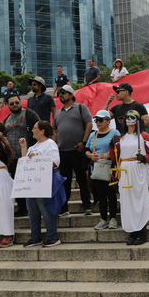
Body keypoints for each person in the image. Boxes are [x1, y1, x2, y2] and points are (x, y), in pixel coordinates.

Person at [109, 110, 149, 245]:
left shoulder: (144, 135)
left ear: (137, 119)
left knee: (139, 199)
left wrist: (145, 158)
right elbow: (114, 157)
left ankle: (142, 232)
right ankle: (132, 232)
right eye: (127, 117)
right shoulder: (121, 138)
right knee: (127, 200)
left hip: (138, 169)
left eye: (132, 117)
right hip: (125, 170)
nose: (129, 119)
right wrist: (112, 145)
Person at [20, 121, 66, 247]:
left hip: (44, 181)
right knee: (32, 211)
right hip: (32, 182)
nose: (32, 130)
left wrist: (38, 159)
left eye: (35, 128)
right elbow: (24, 162)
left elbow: (56, 162)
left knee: (45, 208)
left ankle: (52, 237)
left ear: (42, 131)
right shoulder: (32, 147)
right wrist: (23, 147)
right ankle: (35, 237)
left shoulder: (50, 144)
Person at [52, 85, 93, 215]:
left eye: (63, 93)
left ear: (71, 95)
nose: (61, 95)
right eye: (59, 93)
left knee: (82, 179)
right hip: (62, 152)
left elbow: (89, 124)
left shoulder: (81, 107)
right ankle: (64, 207)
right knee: (64, 181)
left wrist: (84, 142)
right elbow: (54, 130)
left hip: (78, 150)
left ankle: (87, 205)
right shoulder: (58, 113)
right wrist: (54, 146)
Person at [3, 94, 40, 217]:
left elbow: (39, 131)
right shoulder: (7, 119)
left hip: (27, 156)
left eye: (17, 102)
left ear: (20, 102)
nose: (15, 105)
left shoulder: (29, 114)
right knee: (17, 184)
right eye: (12, 103)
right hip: (12, 158)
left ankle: (34, 208)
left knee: (29, 183)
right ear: (8, 105)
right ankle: (22, 207)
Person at [86, 110, 121, 230]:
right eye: (96, 120)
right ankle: (103, 218)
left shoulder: (114, 132)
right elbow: (86, 150)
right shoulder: (93, 134)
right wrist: (90, 155)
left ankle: (113, 218)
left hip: (110, 167)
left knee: (111, 193)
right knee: (100, 195)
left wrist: (109, 154)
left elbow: (119, 148)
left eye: (100, 120)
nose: (98, 122)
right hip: (96, 168)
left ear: (108, 121)